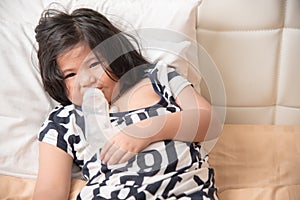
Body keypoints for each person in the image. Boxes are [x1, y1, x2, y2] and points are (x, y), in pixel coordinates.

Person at [33, 7, 218, 200]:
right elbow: (50, 190)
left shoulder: (158, 79)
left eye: (94, 64)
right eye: (70, 75)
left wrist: (147, 130)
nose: (86, 80)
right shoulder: (64, 121)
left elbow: (209, 122)